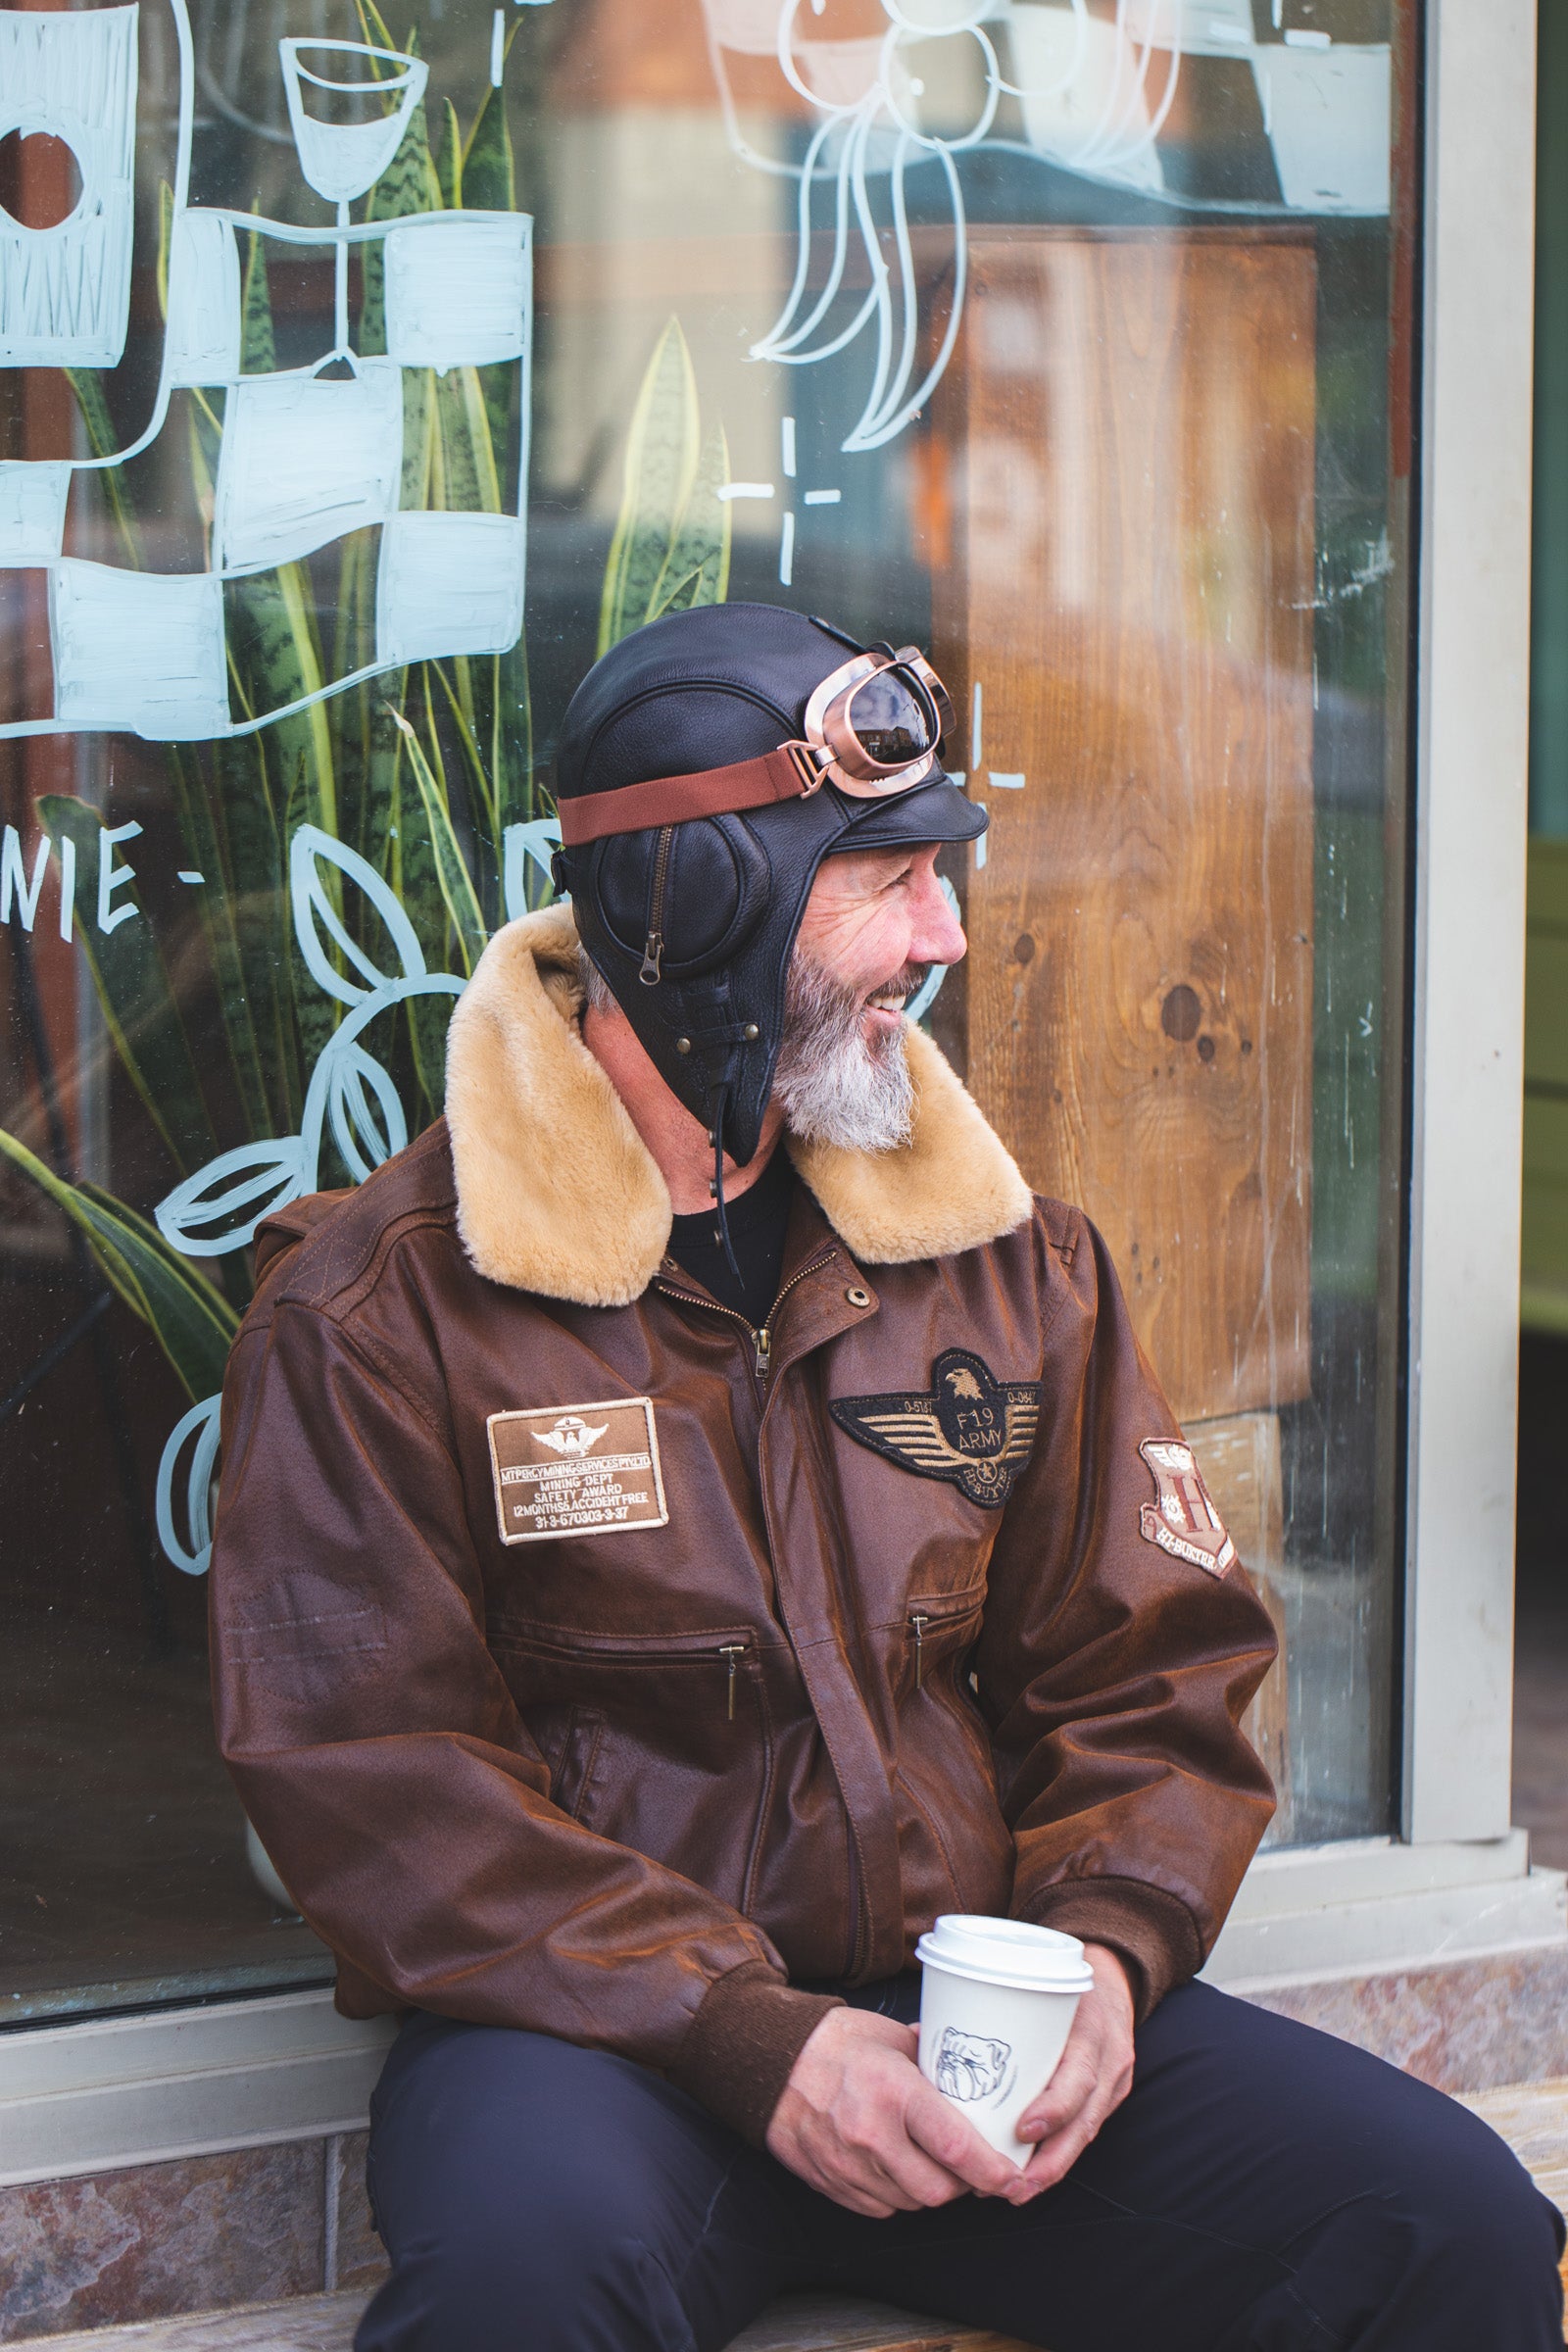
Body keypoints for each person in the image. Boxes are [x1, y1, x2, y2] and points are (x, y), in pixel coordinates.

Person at [210, 605, 1564, 2352]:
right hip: (602, 2043)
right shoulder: (385, 1306)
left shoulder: (1012, 1261)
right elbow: (375, 1771)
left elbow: (1152, 1666)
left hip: (968, 2004)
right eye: (887, 879)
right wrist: (747, 2038)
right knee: (518, 2291)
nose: (945, 933)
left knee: (1439, 2223)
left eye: (946, 873)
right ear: (696, 902)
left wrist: (1105, 1949)